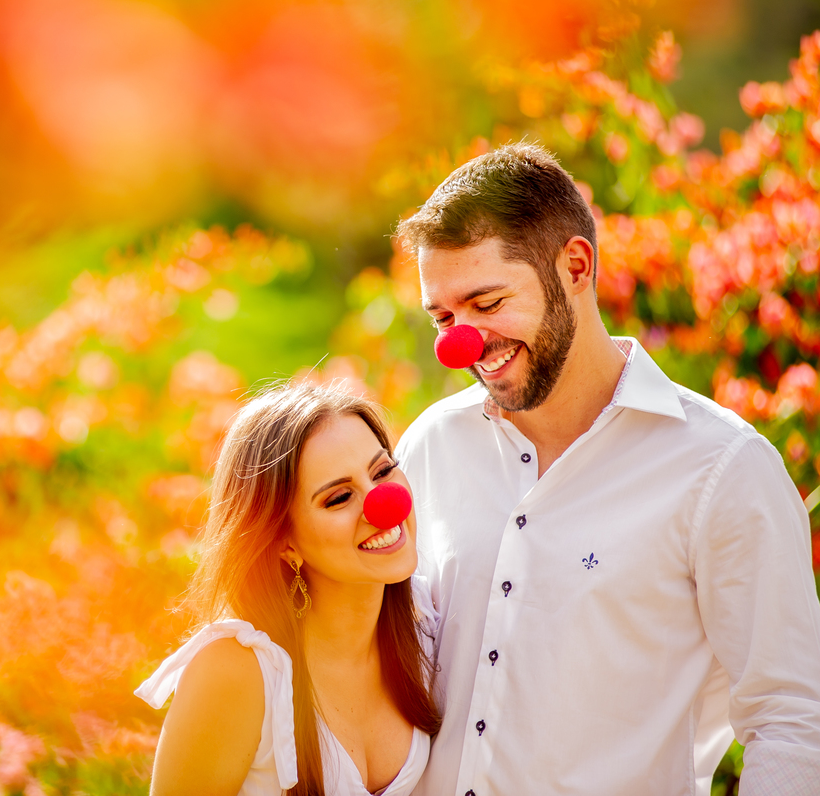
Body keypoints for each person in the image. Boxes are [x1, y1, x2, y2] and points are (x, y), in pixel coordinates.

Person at [393, 142, 820, 796]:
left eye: (486, 302)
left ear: (574, 265)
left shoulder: (722, 469)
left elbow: (791, 718)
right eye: (444, 316)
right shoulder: (429, 447)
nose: (462, 342)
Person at [137, 382, 442, 795]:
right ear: (285, 541)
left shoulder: (426, 620)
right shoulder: (237, 670)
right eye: (338, 498)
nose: (383, 504)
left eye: (383, 471)